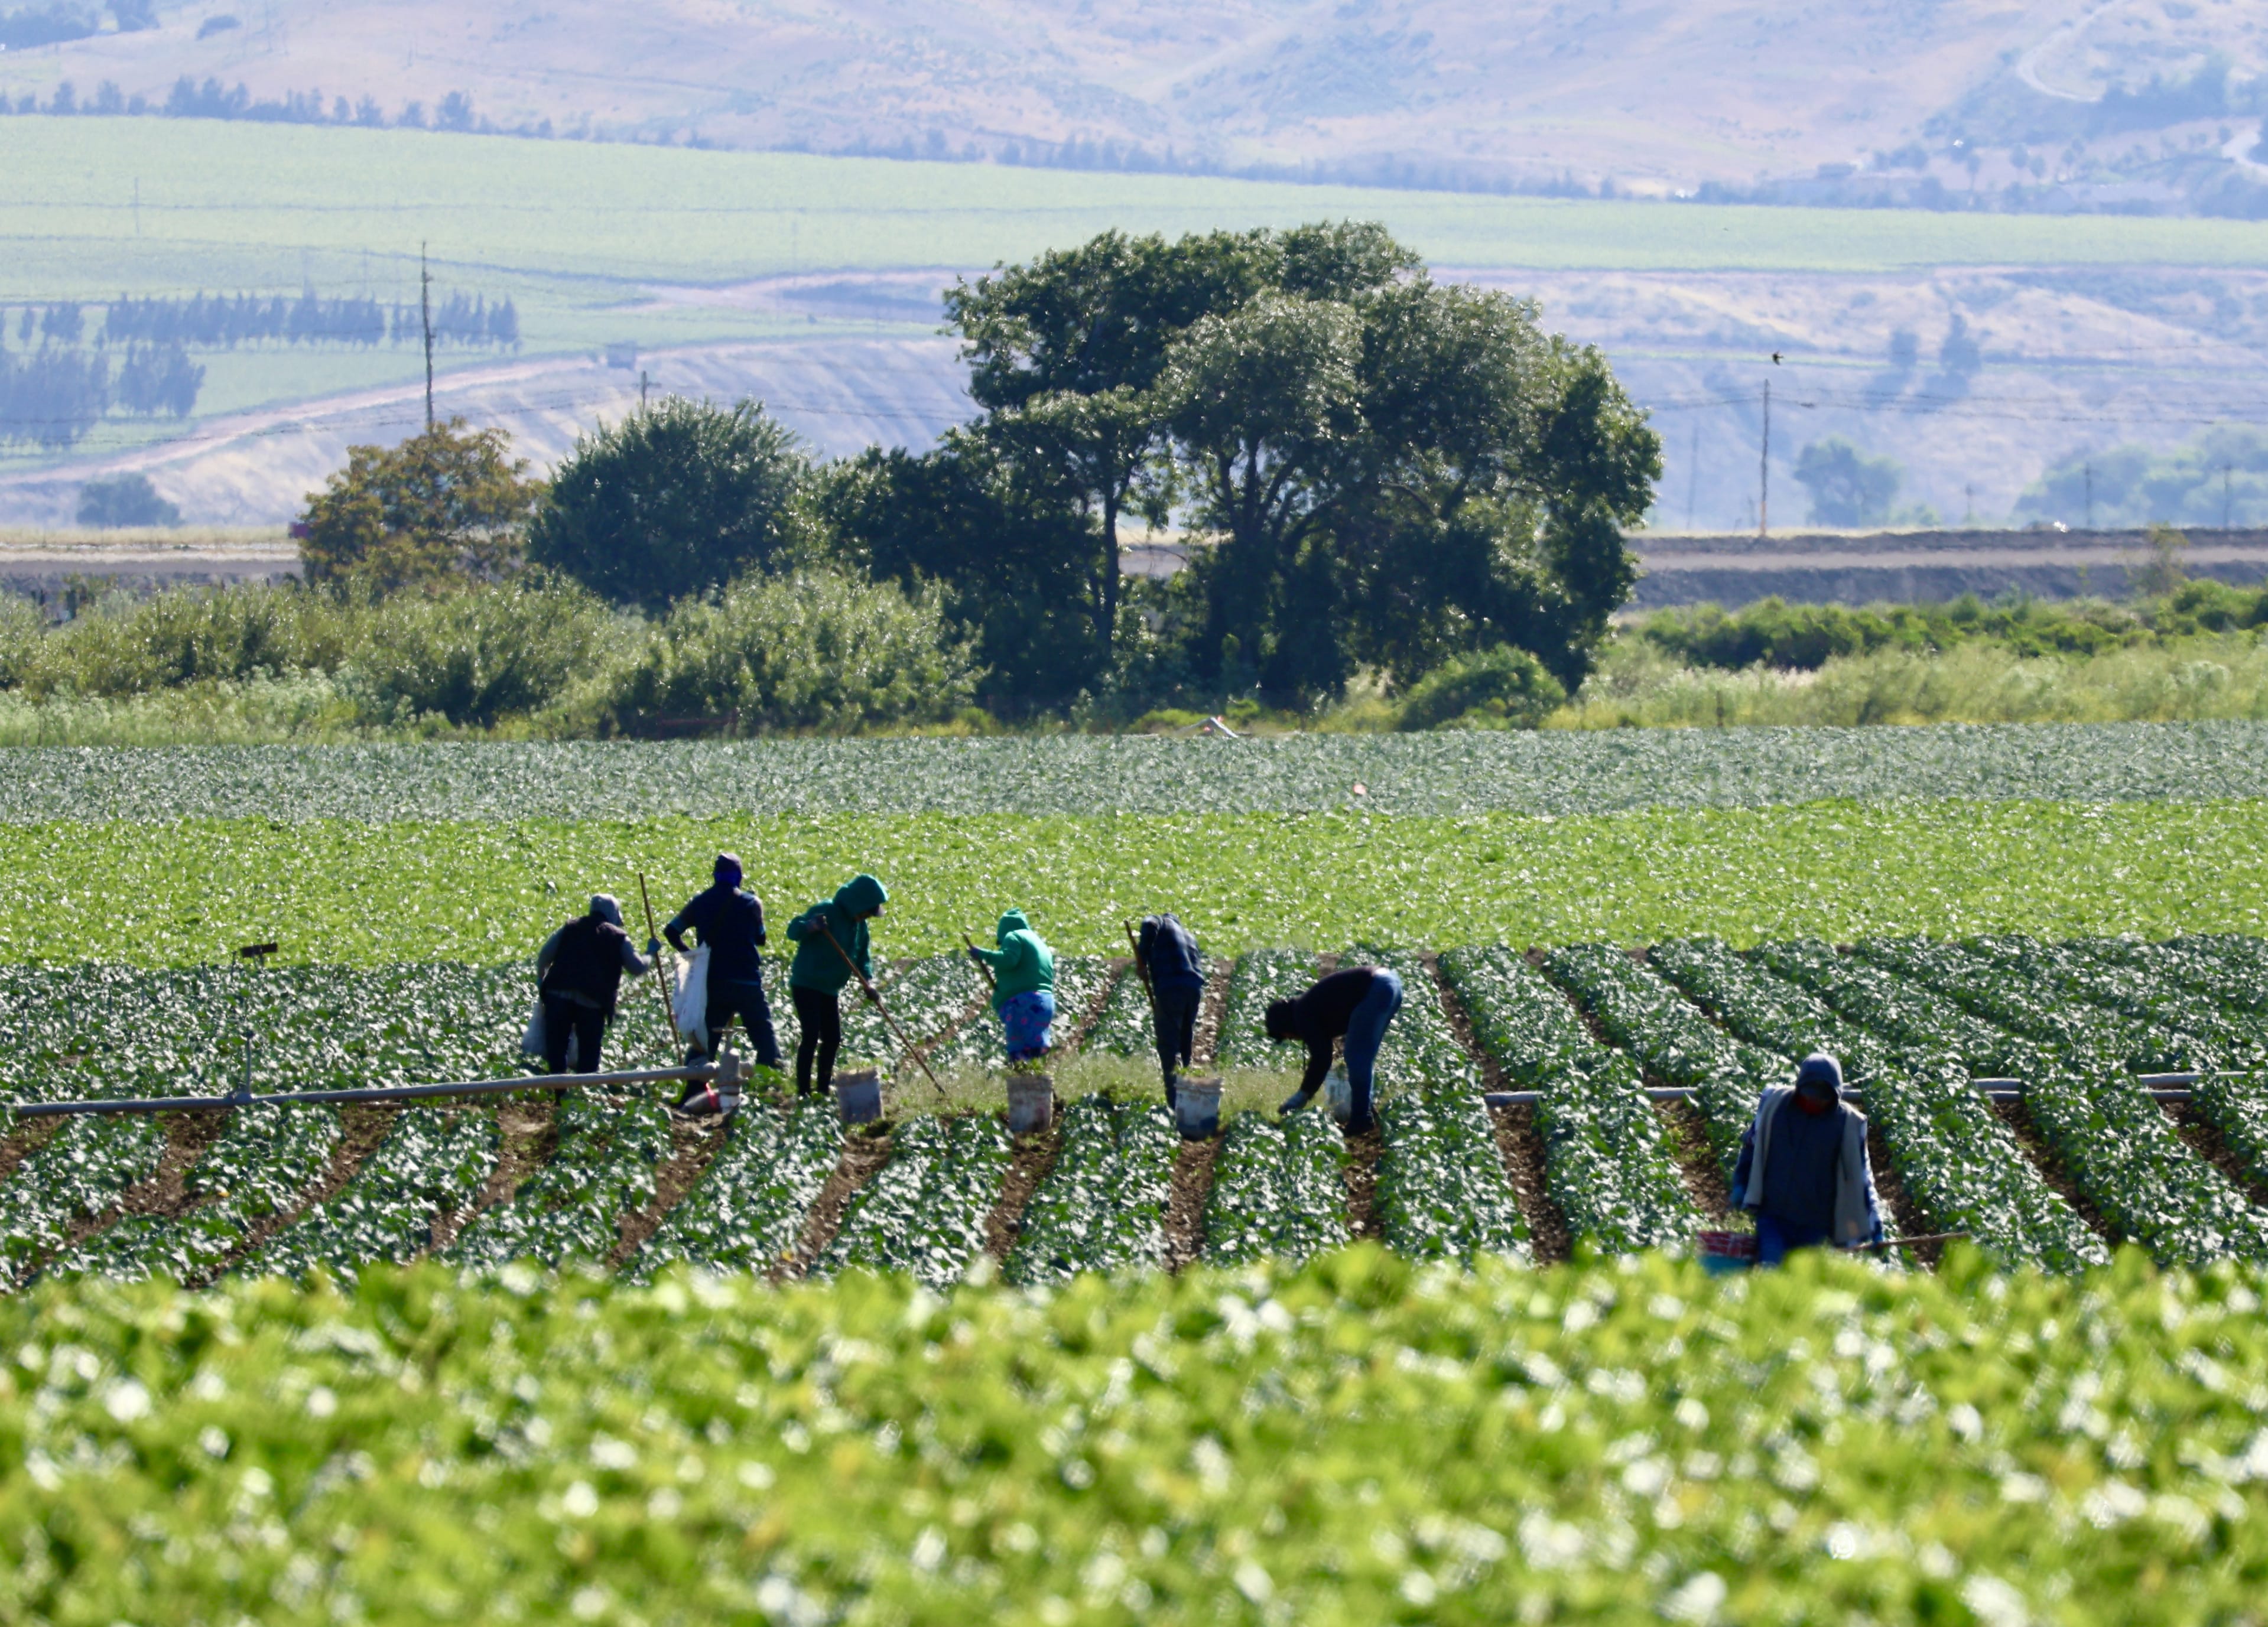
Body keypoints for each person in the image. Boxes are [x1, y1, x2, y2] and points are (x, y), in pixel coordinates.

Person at [1730, 1053, 1884, 1265]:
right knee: (1770, 1269)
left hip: (1815, 1225)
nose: (1815, 1101)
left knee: (1797, 1283)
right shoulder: (1775, 1106)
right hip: (1774, 1215)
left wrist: (1874, 1226)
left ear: (1835, 1096)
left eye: (1823, 1097)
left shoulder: (1847, 1124)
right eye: (1810, 1094)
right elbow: (1752, 1146)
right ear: (1800, 1087)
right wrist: (1741, 1181)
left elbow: (1862, 1177)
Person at [664, 853, 783, 1082]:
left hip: (713, 982)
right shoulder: (751, 903)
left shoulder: (699, 903)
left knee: (705, 1041)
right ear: (739, 877)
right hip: (746, 980)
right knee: (764, 1039)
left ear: (715, 876)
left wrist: (692, 954)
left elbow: (672, 931)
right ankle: (770, 1086)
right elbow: (761, 938)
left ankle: (693, 1087)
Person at [1265, 962, 1403, 1137]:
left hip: (1378, 988)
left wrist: (1303, 1095)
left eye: (1286, 1036)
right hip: (1391, 982)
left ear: (1285, 1026)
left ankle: (1361, 1119)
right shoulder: (1307, 1007)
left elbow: (1322, 1058)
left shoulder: (1303, 1015)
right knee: (1362, 1056)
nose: (1292, 1039)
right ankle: (1366, 1110)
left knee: (1356, 1056)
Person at [783, 873, 889, 1098]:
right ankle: (803, 1090)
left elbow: (862, 957)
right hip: (807, 983)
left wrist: (868, 983)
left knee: (833, 1038)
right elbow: (793, 931)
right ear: (857, 904)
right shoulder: (827, 910)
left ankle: (823, 1088)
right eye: (866, 912)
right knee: (811, 1035)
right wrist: (811, 926)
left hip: (830, 989)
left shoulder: (859, 928)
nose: (866, 917)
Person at [534, 894, 654, 1077]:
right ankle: (583, 1095)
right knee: (589, 1055)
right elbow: (637, 967)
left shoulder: (571, 927)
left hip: (558, 996)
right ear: (613, 914)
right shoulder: (617, 936)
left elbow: (544, 956)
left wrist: (540, 979)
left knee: (557, 1050)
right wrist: (650, 953)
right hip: (592, 1003)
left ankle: (559, 1092)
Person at [969, 909, 1056, 1064]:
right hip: (1045, 1002)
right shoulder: (1038, 941)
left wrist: (984, 955)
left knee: (1019, 1053)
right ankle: (1037, 1081)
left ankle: (1024, 1082)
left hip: (1024, 1004)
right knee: (1034, 1051)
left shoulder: (1013, 936)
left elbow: (1009, 960)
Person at [1137, 912, 1206, 1107]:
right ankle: (1187, 1092)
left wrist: (1142, 961)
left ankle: (1174, 1103)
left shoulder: (1159, 924)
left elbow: (1149, 923)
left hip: (1171, 988)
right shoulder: (1188, 935)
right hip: (1193, 990)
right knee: (1184, 1041)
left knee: (1168, 1045)